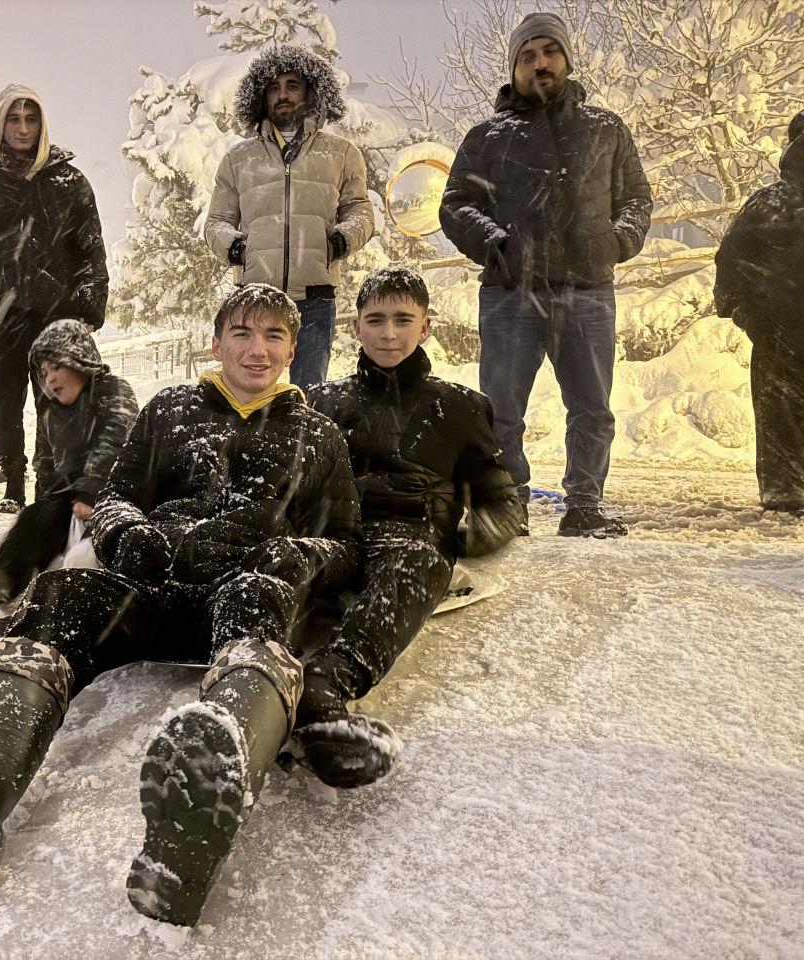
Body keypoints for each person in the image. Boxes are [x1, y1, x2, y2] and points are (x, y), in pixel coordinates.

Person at [0, 283, 360, 927]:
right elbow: (115, 496)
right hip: (155, 585)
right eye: (242, 334)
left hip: (241, 593)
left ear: (294, 348)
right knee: (63, 594)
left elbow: (344, 543)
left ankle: (189, 837)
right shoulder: (170, 411)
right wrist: (124, 532)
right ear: (216, 342)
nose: (257, 349)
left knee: (260, 598)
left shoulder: (317, 434)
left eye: (274, 336)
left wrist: (301, 555)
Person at [303, 267, 522, 786]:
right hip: (338, 536)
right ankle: (250, 673)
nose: (388, 333)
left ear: (425, 327)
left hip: (410, 539)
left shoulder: (459, 406)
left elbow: (505, 504)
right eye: (375, 320)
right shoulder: (322, 403)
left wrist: (460, 541)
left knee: (410, 565)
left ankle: (326, 684)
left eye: (403, 319)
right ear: (355, 328)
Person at [439, 12, 652, 538]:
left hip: (588, 292)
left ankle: (585, 504)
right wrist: (498, 244)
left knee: (591, 407)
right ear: (513, 68)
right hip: (511, 295)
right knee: (502, 412)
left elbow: (637, 200)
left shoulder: (606, 130)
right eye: (527, 55)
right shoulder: (488, 137)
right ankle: (509, 503)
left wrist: (615, 241)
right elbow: (456, 204)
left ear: (566, 59)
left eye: (549, 52)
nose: (540, 63)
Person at [0, 84, 109, 513]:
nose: (23, 128)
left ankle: (49, 484)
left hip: (56, 316)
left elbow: (90, 247)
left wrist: (88, 306)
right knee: (5, 407)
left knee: (54, 405)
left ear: (42, 124)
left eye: (31, 118)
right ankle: (12, 481)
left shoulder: (68, 181)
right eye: (14, 118)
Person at [204, 46, 374, 388]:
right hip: (254, 296)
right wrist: (235, 247)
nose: (282, 94)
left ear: (311, 91)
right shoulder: (239, 159)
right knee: (250, 392)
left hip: (314, 297)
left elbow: (361, 211)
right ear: (260, 96)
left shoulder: (341, 153)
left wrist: (341, 240)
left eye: (292, 85)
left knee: (307, 394)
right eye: (273, 87)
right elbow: (216, 222)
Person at [0, 318, 137, 605]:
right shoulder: (53, 414)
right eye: (44, 373)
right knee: (35, 518)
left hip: (122, 492)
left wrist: (89, 492)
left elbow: (114, 442)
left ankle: (101, 591)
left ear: (81, 361)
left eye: (57, 367)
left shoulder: (112, 391)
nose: (50, 378)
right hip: (77, 497)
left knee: (97, 545)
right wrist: (48, 500)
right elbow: (53, 465)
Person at [714, 110, 804, 514]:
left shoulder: (768, 203)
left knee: (780, 419)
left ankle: (785, 490)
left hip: (778, 337)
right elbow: (731, 266)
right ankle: (785, 490)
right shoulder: (770, 204)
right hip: (778, 336)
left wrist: (753, 318)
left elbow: (729, 267)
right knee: (781, 416)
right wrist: (754, 318)